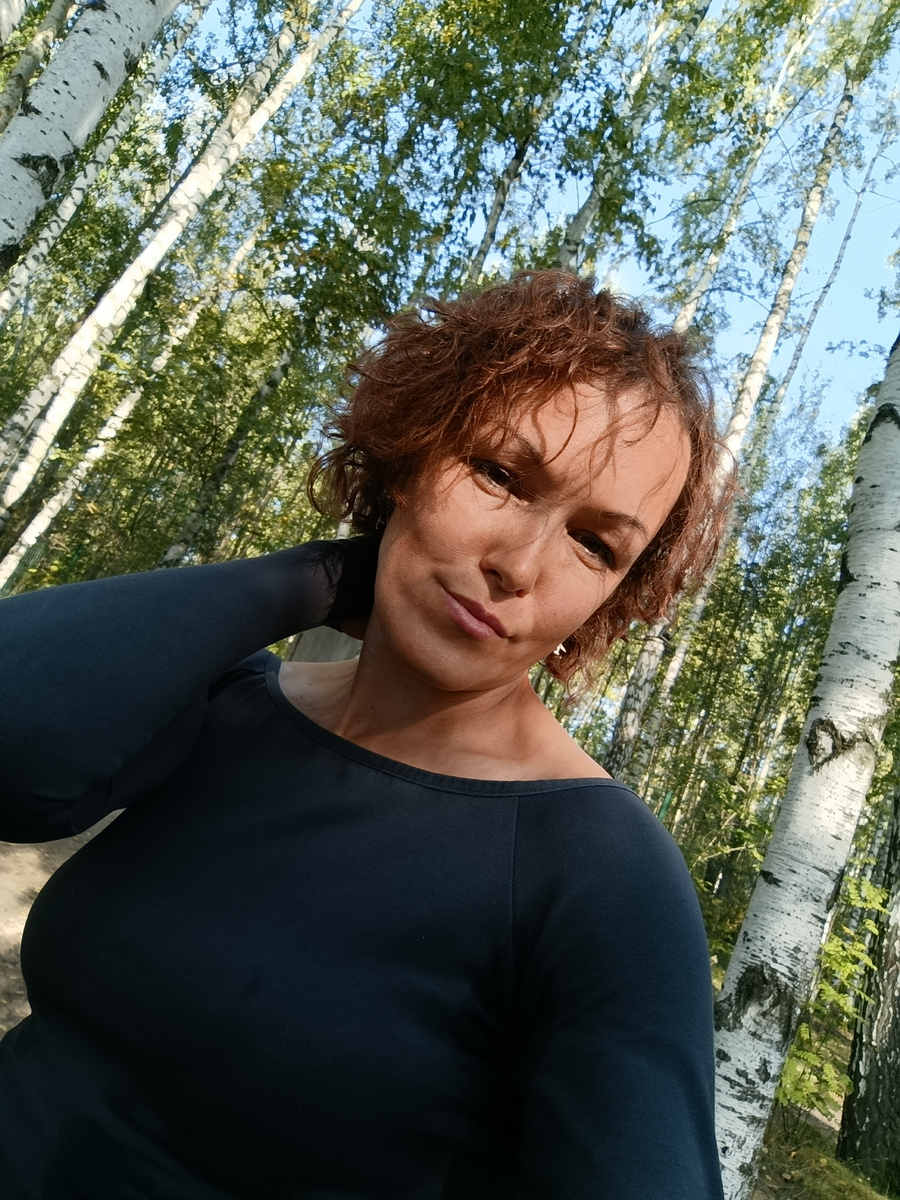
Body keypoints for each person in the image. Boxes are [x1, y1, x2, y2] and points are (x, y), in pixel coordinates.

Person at [0, 270, 728, 1198]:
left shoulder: (603, 876)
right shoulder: (232, 705)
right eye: (500, 475)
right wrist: (314, 577)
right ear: (412, 449)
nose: (519, 565)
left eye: (595, 545)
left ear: (614, 597)